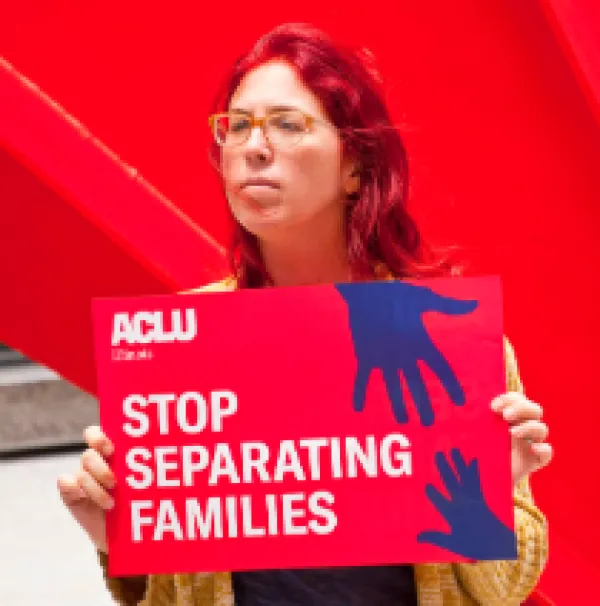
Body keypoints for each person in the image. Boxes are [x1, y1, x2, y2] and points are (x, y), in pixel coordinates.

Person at [57, 22, 552, 606]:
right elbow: (166, 599)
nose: (254, 146)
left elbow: (505, 595)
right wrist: (116, 536)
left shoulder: (444, 339)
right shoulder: (181, 345)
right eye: (237, 126)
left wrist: (491, 494)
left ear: (354, 167)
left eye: (288, 124)